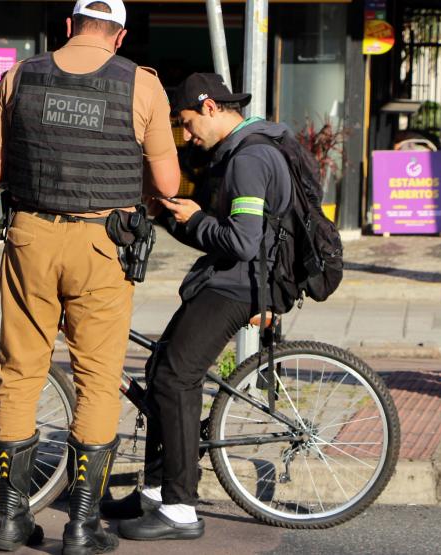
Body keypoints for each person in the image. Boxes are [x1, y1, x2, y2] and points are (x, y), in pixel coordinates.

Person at [0, 0, 180, 552]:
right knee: (97, 378)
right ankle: (82, 526)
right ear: (120, 36)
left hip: (30, 238)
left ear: (68, 26)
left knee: (21, 371)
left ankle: (11, 520)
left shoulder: (19, 76)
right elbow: (168, 183)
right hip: (102, 245)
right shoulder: (142, 84)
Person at [104, 73, 293, 541]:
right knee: (160, 370)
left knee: (176, 378)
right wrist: (171, 217)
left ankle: (181, 510)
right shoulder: (236, 153)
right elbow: (216, 235)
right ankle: (155, 492)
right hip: (226, 278)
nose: (186, 136)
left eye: (187, 123)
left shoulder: (249, 160)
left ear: (210, 108)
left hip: (240, 287)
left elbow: (243, 242)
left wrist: (196, 218)